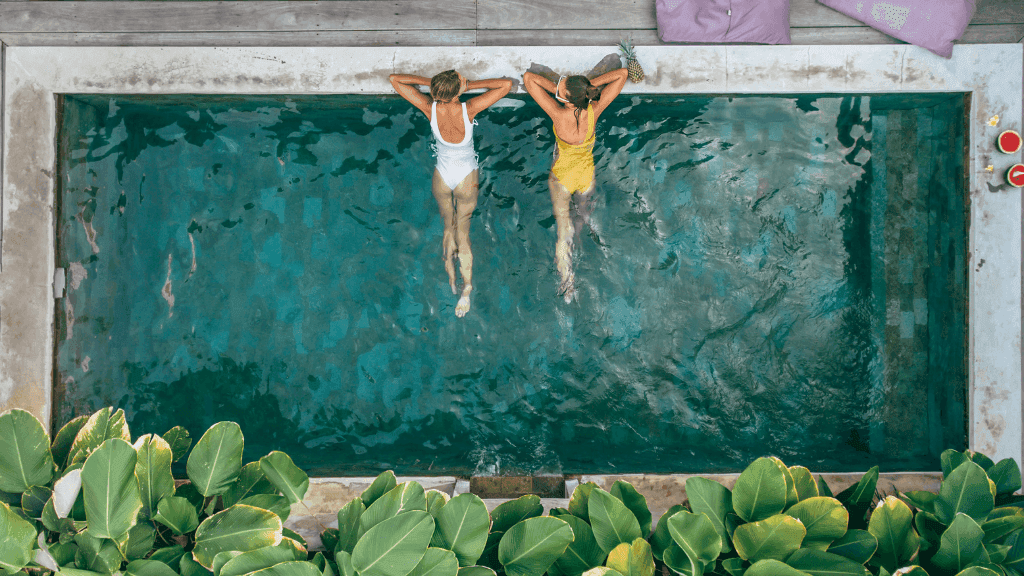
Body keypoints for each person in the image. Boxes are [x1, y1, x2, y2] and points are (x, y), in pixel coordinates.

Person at [389, 70, 512, 317]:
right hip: (466, 175)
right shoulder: (469, 109)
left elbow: (395, 80)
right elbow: (506, 85)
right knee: (462, 231)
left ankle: (452, 282)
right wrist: (468, 86)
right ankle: (467, 288)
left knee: (448, 227)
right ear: (457, 92)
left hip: (443, 177)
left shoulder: (429, 107)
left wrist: (433, 87)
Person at [523, 68, 628, 302]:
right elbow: (621, 74)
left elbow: (529, 79)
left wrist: (557, 90)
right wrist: (586, 89)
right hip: (586, 176)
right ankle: (582, 235)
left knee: (563, 231)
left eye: (563, 90)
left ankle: (567, 282)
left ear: (566, 98)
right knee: (582, 214)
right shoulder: (595, 110)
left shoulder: (558, 114)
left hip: (562, 177)